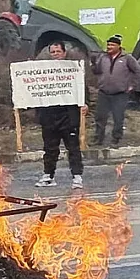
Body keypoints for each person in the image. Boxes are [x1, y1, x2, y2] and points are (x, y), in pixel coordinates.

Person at [34, 40, 85, 191]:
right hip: (49, 116)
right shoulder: (43, 71)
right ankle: (48, 175)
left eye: (58, 51)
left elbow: (83, 89)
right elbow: (34, 90)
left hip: (68, 116)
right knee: (50, 149)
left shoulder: (74, 69)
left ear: (64, 53)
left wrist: (85, 104)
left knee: (73, 148)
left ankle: (77, 177)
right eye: (53, 52)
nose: (55, 54)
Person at [91, 34, 140, 147]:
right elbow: (96, 71)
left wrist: (132, 86)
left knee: (118, 118)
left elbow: (138, 71)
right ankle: (98, 139)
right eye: (108, 45)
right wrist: (93, 63)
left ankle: (116, 139)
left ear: (119, 46)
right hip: (103, 93)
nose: (109, 47)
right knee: (100, 117)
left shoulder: (127, 58)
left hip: (120, 94)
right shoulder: (102, 57)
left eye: (112, 45)